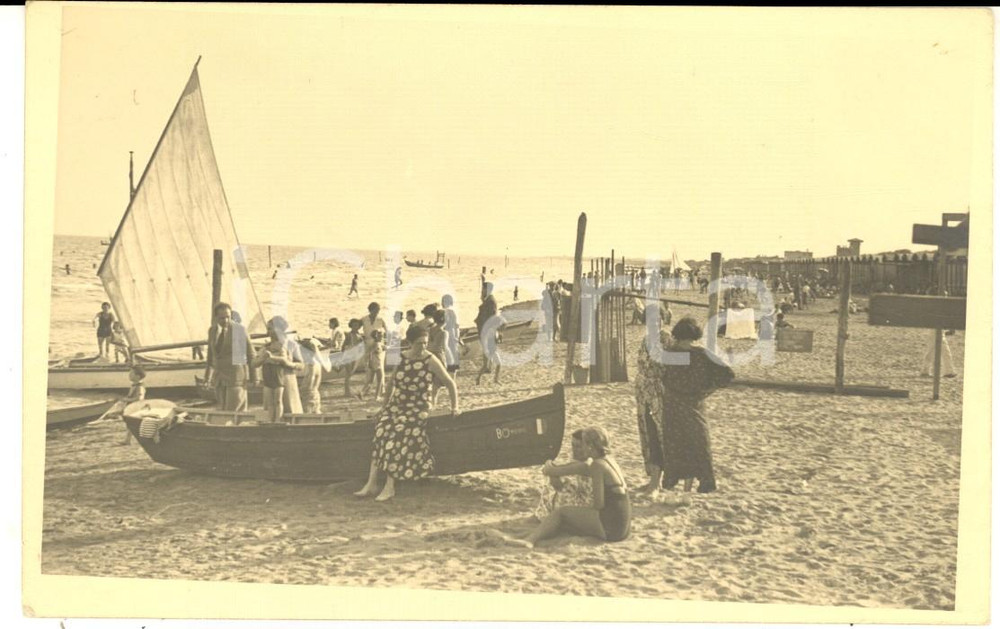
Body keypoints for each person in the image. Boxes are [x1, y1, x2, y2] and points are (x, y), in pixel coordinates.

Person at [354, 325, 459, 502]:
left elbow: (449, 383)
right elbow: (391, 385)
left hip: (419, 406)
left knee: (398, 432)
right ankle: (371, 483)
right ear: (409, 343)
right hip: (398, 404)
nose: (423, 347)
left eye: (425, 343)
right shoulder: (401, 358)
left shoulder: (430, 360)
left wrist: (455, 406)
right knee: (381, 429)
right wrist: (384, 408)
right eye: (419, 343)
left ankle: (389, 486)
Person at [505, 427, 630, 548]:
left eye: (583, 444)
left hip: (611, 527)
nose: (582, 448)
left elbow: (599, 504)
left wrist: (579, 513)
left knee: (561, 513)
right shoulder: (609, 460)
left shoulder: (597, 466)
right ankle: (539, 532)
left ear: (590, 446)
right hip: (623, 526)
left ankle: (529, 540)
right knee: (567, 519)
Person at [659, 317, 734, 493]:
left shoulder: (668, 354)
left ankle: (671, 480)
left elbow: (661, 377)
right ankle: (704, 482)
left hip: (671, 404)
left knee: (674, 444)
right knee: (699, 444)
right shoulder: (701, 354)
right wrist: (706, 390)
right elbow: (726, 374)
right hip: (694, 404)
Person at [634, 319, 670, 494]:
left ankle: (657, 482)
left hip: (659, 394)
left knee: (659, 435)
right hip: (644, 394)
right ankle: (654, 480)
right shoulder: (645, 340)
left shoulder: (667, 340)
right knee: (648, 435)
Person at [533, 429, 593, 519]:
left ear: (588, 447)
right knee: (556, 485)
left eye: (578, 446)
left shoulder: (586, 464)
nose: (574, 449)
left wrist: (548, 462)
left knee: (557, 487)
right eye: (573, 445)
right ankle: (543, 515)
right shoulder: (582, 462)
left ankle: (543, 516)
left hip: (586, 507)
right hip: (582, 500)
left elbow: (549, 470)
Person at [205, 302, 253, 411]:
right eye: (222, 318)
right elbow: (210, 356)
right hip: (219, 379)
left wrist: (254, 378)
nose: (226, 320)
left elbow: (250, 354)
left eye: (228, 317)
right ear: (216, 318)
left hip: (236, 378)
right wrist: (207, 378)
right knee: (222, 411)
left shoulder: (239, 330)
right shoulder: (212, 331)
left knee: (234, 412)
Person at [252, 321, 297, 421]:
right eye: (268, 329)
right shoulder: (265, 347)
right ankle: (271, 421)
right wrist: (263, 358)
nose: (268, 332)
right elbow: (254, 363)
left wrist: (286, 363)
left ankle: (278, 421)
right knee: (270, 403)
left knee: (279, 401)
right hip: (269, 376)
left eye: (270, 329)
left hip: (283, 379)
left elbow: (300, 365)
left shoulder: (288, 345)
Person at [474, 283, 505, 385]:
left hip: (487, 334)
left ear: (486, 290)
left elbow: (491, 316)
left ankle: (481, 379)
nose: (482, 291)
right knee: (489, 364)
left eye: (483, 289)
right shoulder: (489, 299)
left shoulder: (490, 301)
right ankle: (485, 379)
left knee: (488, 364)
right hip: (488, 336)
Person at [118, 365, 147, 446]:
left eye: (131, 373)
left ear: (138, 376)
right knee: (130, 424)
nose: (129, 375)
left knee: (134, 424)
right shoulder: (135, 385)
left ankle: (128, 440)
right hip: (132, 407)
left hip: (136, 408)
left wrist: (127, 400)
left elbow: (139, 398)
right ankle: (127, 440)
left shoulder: (139, 387)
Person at [300, 338, 329, 413]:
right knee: (316, 411)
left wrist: (302, 391)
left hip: (308, 395)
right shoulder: (318, 363)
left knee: (307, 413)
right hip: (315, 393)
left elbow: (310, 381)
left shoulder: (311, 365)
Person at [359, 329, 387, 401]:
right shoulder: (376, 344)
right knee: (379, 380)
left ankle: (362, 393)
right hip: (376, 363)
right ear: (376, 336)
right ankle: (377, 396)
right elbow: (370, 353)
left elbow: (380, 350)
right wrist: (370, 363)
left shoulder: (377, 343)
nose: (382, 337)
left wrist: (384, 348)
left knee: (371, 381)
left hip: (375, 363)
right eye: (380, 336)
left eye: (382, 336)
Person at [341, 318, 365, 397]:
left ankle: (348, 391)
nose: (356, 327)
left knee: (350, 374)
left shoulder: (359, 336)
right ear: (351, 326)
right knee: (348, 374)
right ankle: (347, 392)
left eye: (357, 326)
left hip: (355, 356)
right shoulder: (349, 335)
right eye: (354, 325)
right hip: (348, 355)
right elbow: (343, 346)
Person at [441, 294, 462, 374]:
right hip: (451, 334)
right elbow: (456, 326)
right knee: (453, 354)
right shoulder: (452, 311)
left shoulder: (442, 311)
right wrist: (457, 337)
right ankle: (452, 373)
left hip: (444, 334)